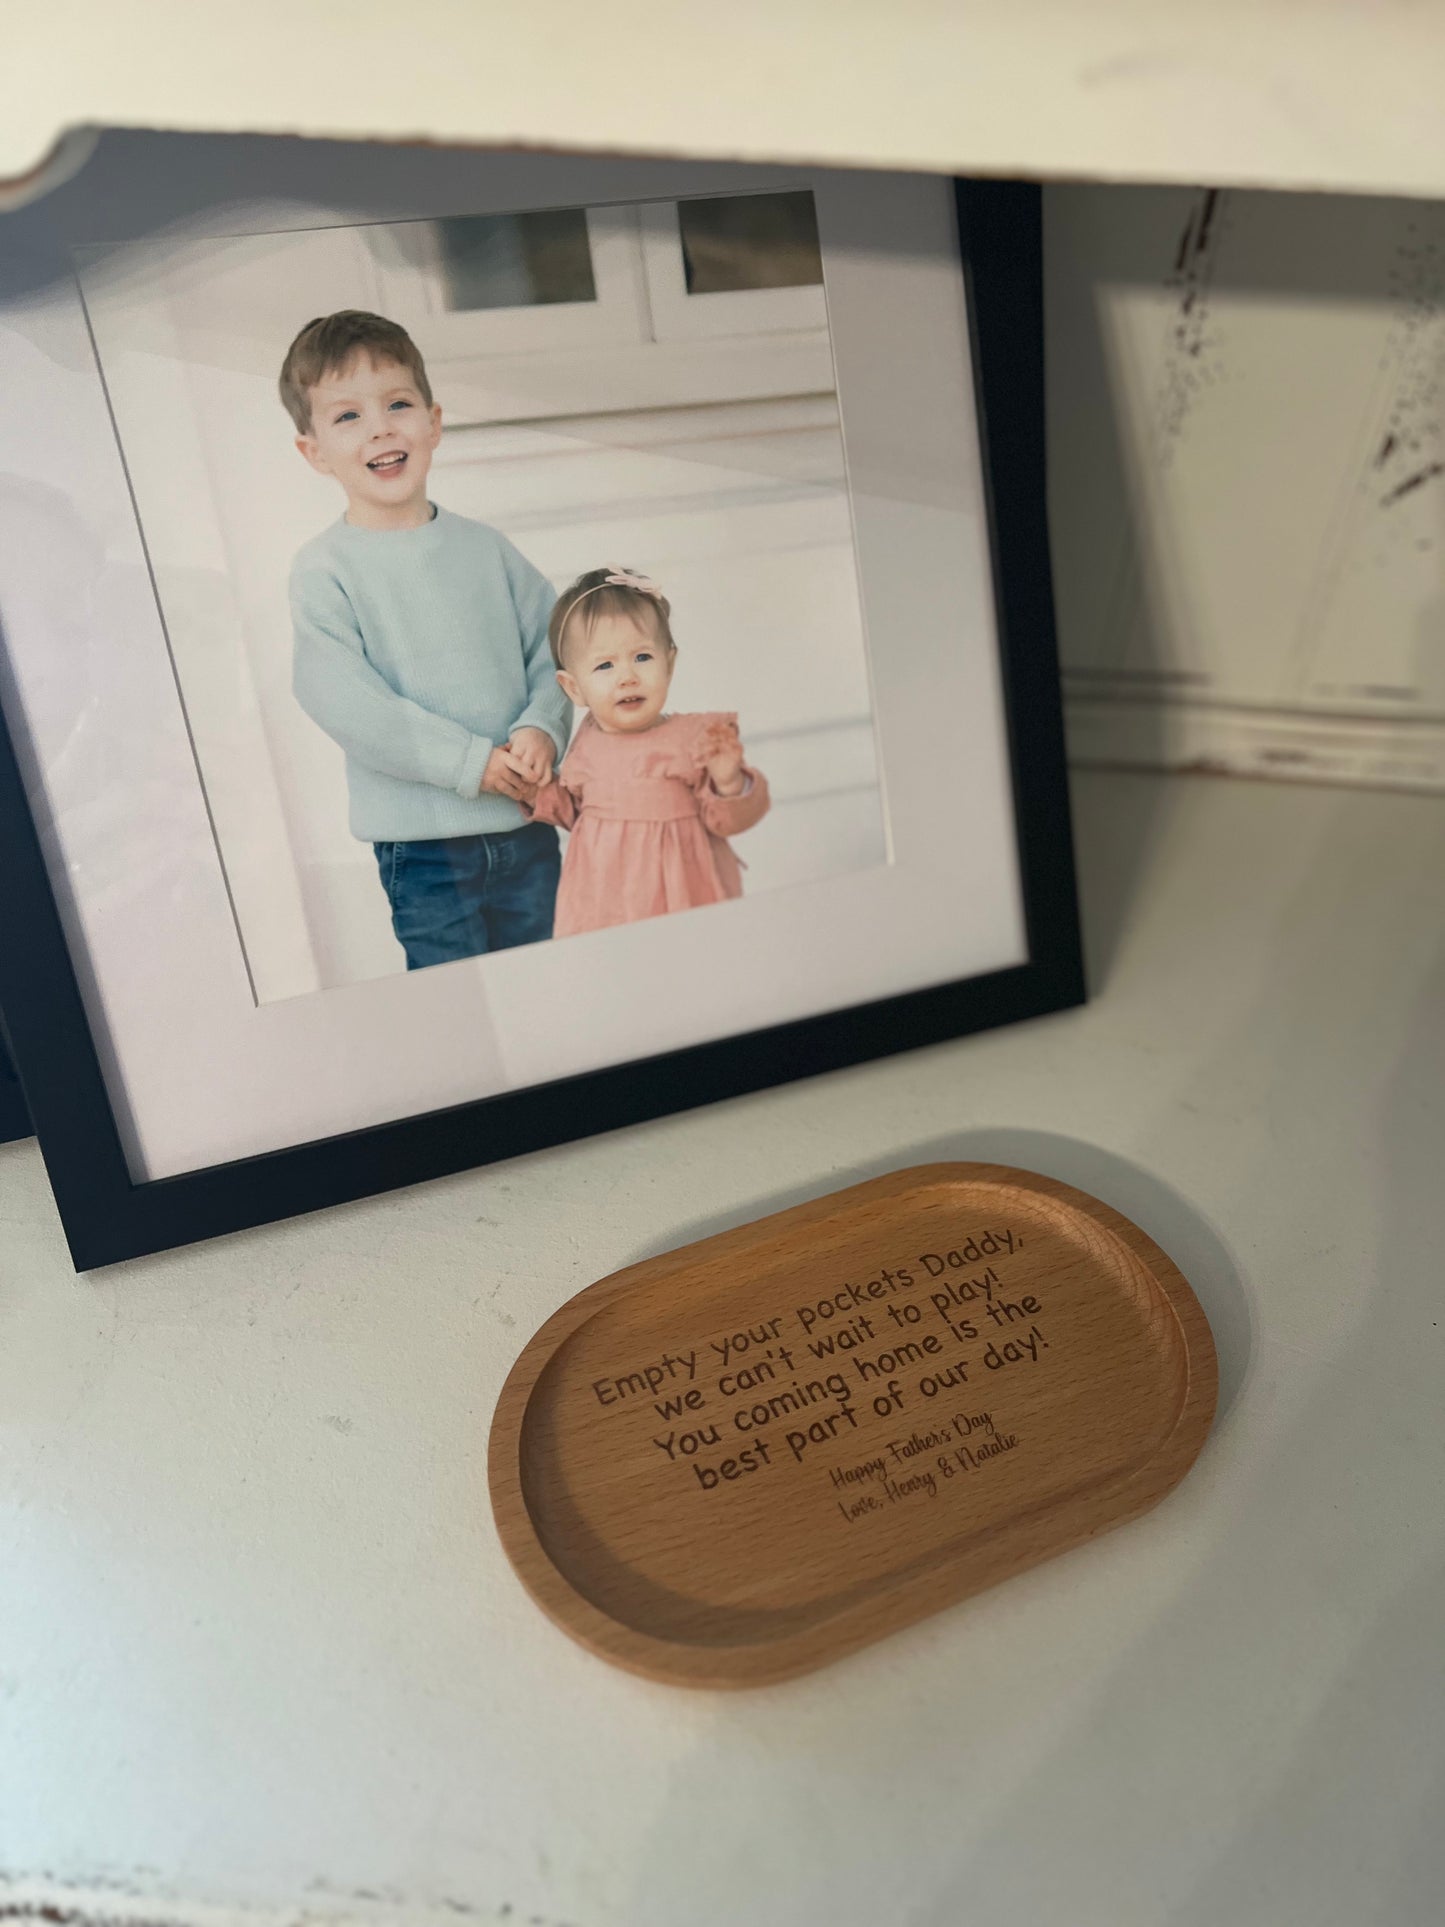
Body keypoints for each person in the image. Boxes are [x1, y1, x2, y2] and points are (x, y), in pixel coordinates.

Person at [280, 310, 570, 968]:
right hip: (425, 849)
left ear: (433, 422)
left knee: (545, 987)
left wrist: (541, 729)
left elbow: (553, 653)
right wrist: (470, 762)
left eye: (398, 403)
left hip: (524, 829)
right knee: (461, 1014)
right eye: (347, 415)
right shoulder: (325, 570)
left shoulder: (486, 550)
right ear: (314, 451)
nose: (380, 426)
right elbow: (349, 704)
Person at [525, 567, 770, 938]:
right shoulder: (587, 740)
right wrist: (534, 790)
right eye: (605, 665)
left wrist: (728, 780)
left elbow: (729, 821)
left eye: (642, 657)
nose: (628, 676)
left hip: (684, 894)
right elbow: (577, 813)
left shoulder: (695, 739)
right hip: (604, 899)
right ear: (573, 688)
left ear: (668, 665)